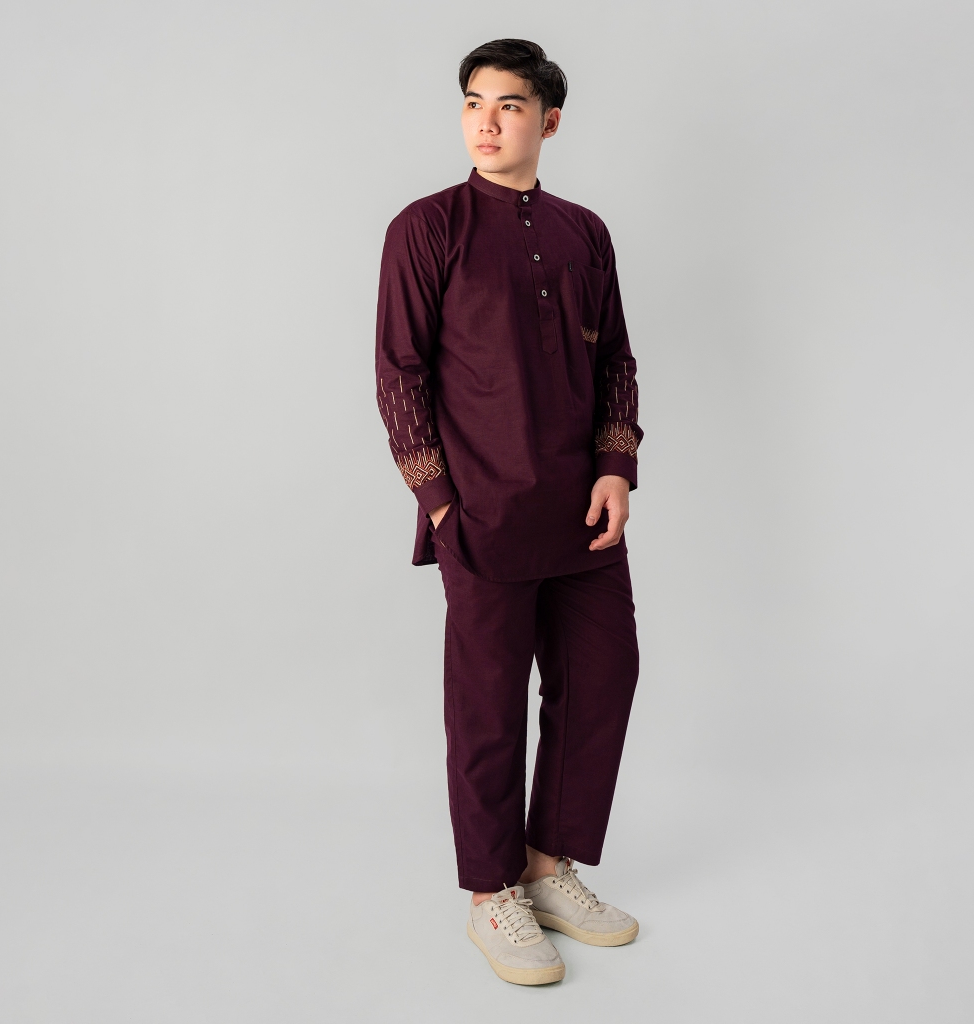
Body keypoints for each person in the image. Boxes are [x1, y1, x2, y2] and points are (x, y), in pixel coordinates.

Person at [375, 38, 644, 986]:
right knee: (487, 706)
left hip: (581, 511)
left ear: (549, 121)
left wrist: (616, 466)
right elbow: (399, 371)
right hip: (479, 511)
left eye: (510, 106)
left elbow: (615, 358)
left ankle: (544, 864)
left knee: (603, 676)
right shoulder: (427, 228)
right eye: (473, 104)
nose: (486, 123)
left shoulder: (584, 232)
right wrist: (439, 503)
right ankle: (491, 894)